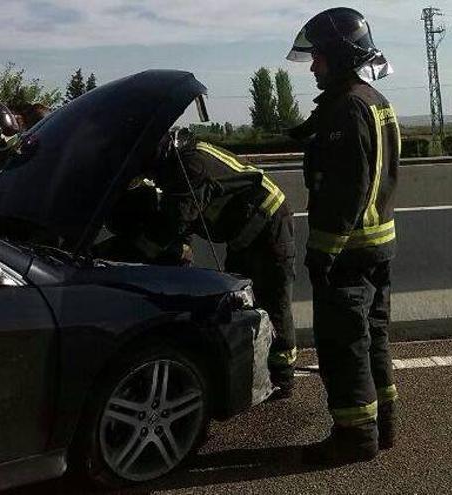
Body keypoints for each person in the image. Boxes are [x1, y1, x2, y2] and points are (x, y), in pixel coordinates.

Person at [286, 7, 401, 464]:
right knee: (373, 337)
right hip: (376, 246)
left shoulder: (346, 107)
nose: (312, 66)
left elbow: (344, 188)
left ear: (335, 54)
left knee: (343, 344)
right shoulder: (371, 99)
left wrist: (324, 252)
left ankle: (355, 438)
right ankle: (384, 424)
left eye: (317, 57)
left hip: (348, 252)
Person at [132, 129, 298, 396]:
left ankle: (282, 376)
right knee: (244, 298)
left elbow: (176, 220)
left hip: (268, 223)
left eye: (150, 172)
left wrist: (139, 251)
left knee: (274, 299)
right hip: (241, 230)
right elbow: (181, 215)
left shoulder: (191, 165)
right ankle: (251, 368)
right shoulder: (175, 163)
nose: (151, 178)